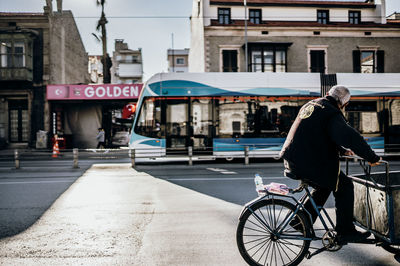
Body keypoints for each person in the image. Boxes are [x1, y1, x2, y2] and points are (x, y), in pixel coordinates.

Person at [279, 85, 381, 244]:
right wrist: (372, 157)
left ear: (327, 94)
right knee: (345, 185)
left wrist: (340, 150)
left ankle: (301, 222)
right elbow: (350, 137)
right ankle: (345, 231)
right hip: (307, 162)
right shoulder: (331, 112)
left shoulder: (312, 104)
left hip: (292, 158)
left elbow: (318, 135)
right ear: (344, 104)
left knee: (326, 184)